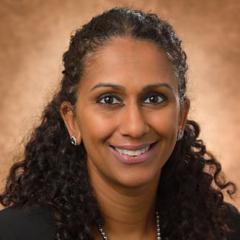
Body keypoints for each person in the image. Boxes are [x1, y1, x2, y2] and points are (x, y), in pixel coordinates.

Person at [0, 6, 239, 240]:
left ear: (181, 117)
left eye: (154, 98)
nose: (134, 127)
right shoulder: (13, 233)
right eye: (109, 99)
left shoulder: (225, 229)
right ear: (71, 120)